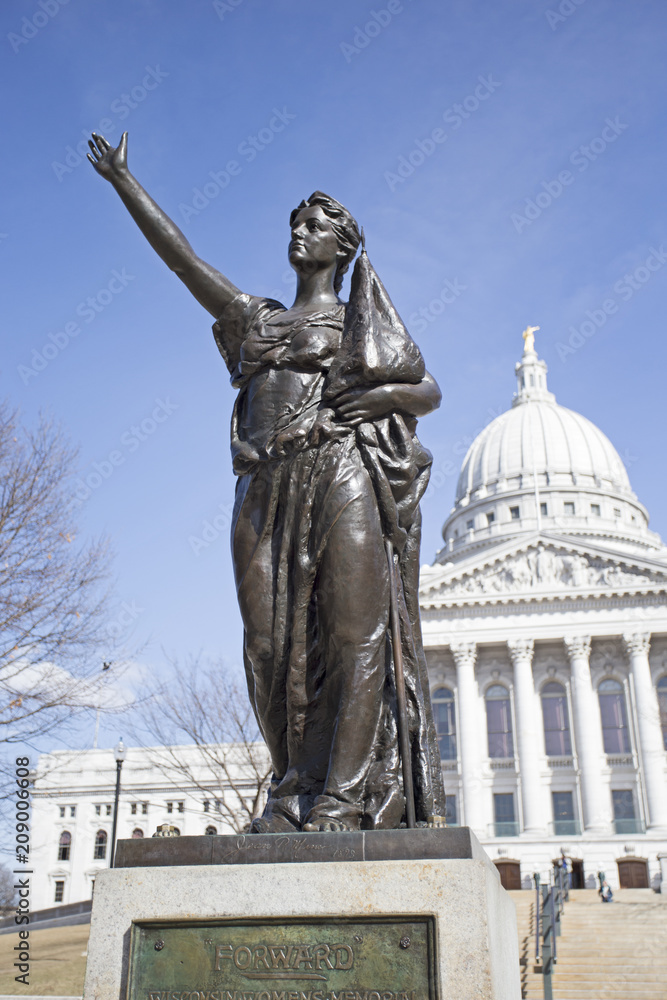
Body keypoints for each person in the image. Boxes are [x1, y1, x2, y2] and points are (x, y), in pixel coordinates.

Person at [87, 132, 446, 833]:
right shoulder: (257, 317)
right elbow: (184, 262)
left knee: (353, 633)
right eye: (294, 223)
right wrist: (124, 183)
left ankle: (343, 796)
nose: (298, 232)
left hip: (338, 467)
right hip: (263, 483)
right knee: (267, 644)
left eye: (314, 225)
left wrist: (374, 402)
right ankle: (292, 785)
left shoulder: (357, 321)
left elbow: (424, 388)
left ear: (342, 247)